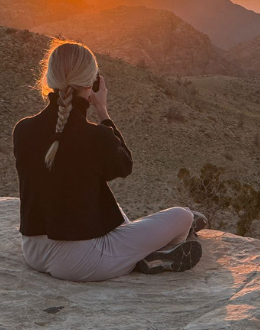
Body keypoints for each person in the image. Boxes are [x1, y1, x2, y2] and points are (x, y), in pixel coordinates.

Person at [13, 39, 206, 281]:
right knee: (183, 215)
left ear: (49, 79)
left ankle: (145, 252)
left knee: (111, 210)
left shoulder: (23, 129)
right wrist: (103, 112)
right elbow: (124, 165)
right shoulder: (96, 136)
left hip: (33, 252)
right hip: (80, 262)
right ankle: (157, 251)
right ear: (91, 84)